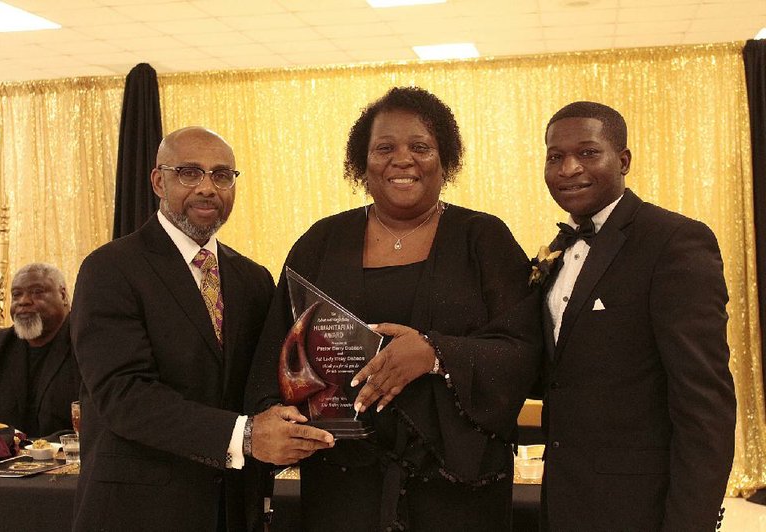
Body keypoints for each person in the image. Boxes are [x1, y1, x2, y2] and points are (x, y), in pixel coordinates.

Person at [246, 87, 541, 531]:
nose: (402, 159)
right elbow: (278, 351)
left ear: (446, 160)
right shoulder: (320, 243)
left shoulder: (483, 239)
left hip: (458, 488)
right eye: (384, 148)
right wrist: (274, 413)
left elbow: (524, 351)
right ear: (361, 164)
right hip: (343, 485)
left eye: (420, 147)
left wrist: (434, 354)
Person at [70, 126, 333, 531]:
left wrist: (324, 409)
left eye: (222, 175)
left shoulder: (254, 279)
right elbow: (125, 397)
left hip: (231, 510)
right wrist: (245, 436)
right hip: (138, 512)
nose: (208, 188)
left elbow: (267, 380)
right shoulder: (110, 270)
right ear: (159, 181)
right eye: (190, 173)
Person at [537, 101, 736, 530]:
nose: (569, 168)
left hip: (640, 508)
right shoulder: (557, 250)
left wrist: (690, 523)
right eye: (555, 156)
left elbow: (705, 406)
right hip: (565, 501)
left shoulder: (674, 241)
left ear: (623, 160)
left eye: (588, 153)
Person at [0, 263, 78, 437]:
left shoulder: (87, 344)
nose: (23, 301)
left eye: (37, 292)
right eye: (16, 294)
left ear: (63, 295)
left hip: (72, 458)